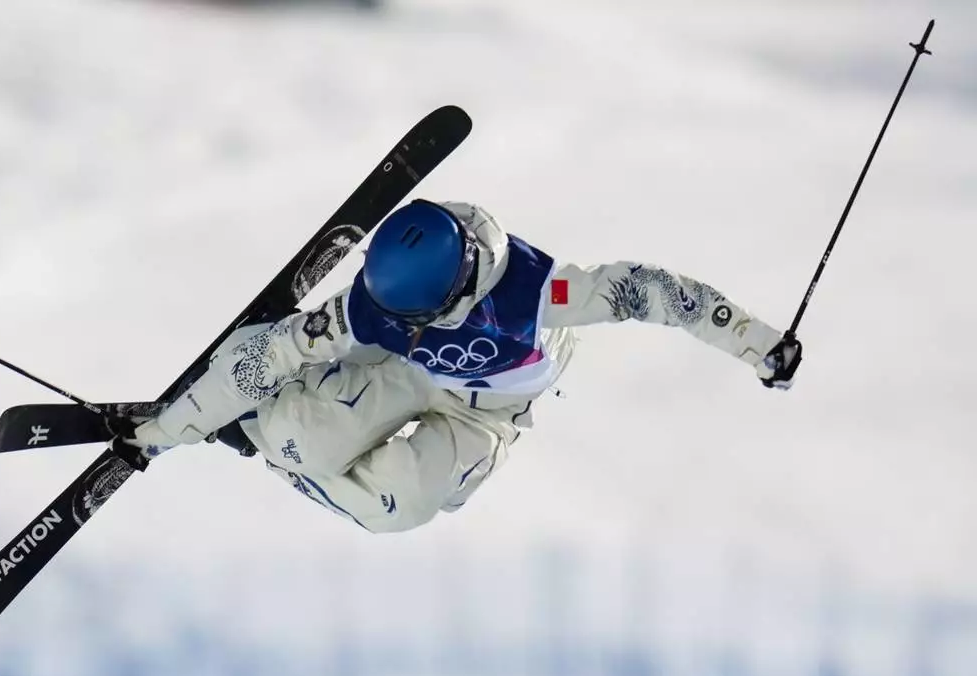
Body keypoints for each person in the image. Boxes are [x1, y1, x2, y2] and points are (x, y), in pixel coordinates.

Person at [113, 200, 801, 532]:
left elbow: (660, 294)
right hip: (408, 376)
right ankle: (271, 429)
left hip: (491, 416)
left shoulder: (543, 294)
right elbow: (269, 351)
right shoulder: (372, 308)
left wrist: (758, 343)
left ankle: (276, 440)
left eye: (415, 316)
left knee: (401, 504)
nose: (398, 322)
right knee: (306, 441)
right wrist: (166, 429)